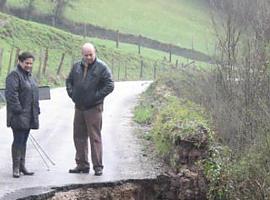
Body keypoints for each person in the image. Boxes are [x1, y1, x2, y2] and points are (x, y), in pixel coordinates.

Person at [66, 43, 114, 176]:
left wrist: (95, 97)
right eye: (86, 55)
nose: (88, 57)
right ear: (82, 54)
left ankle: (98, 166)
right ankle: (82, 165)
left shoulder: (102, 68)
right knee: (79, 136)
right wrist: (72, 94)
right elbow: (69, 81)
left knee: (94, 137)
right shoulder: (76, 66)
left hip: (94, 108)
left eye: (90, 54)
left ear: (95, 53)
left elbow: (110, 85)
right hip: (79, 107)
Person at [5, 52, 40, 178]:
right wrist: (18, 110)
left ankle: (22, 166)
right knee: (18, 140)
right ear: (20, 61)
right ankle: (15, 168)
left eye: (31, 63)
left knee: (24, 141)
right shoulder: (14, 75)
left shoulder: (30, 76)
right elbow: (11, 95)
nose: (29, 65)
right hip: (18, 115)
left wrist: (36, 109)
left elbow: (34, 93)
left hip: (29, 114)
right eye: (27, 63)